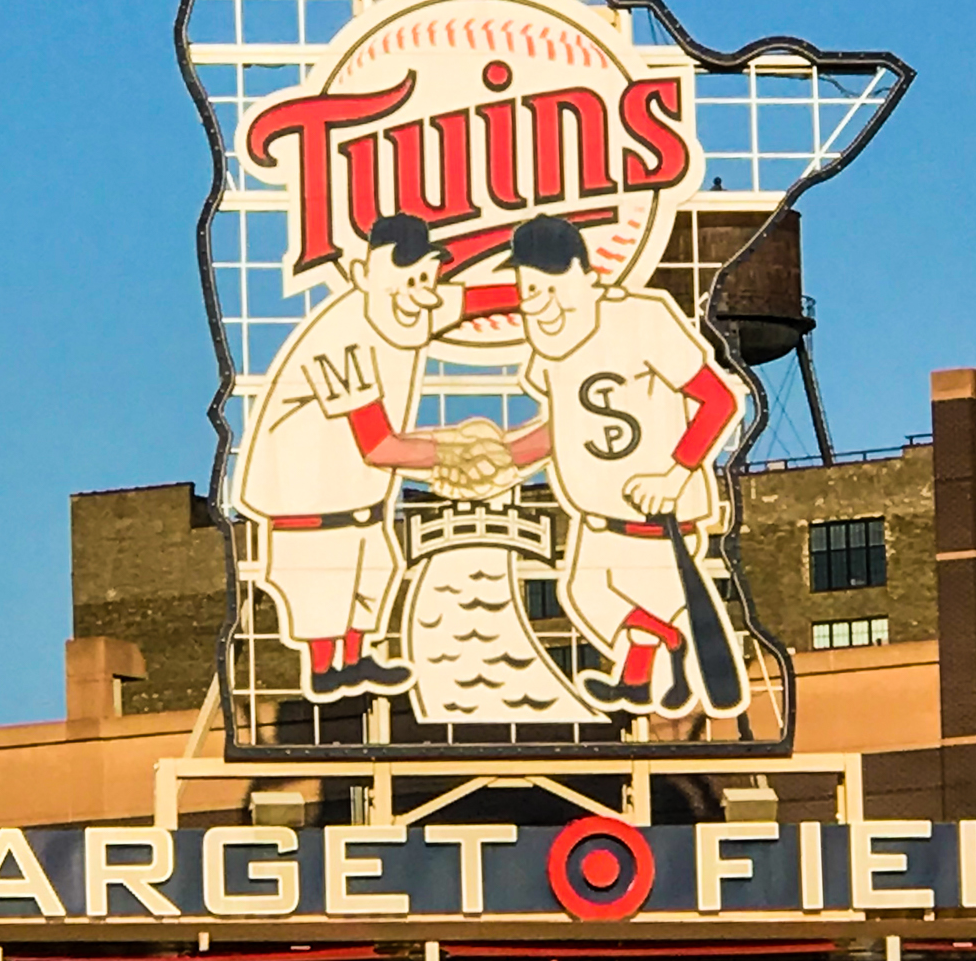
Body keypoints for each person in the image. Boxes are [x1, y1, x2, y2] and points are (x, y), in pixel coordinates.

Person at [236, 210, 517, 702]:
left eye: (427, 276)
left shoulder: (410, 303)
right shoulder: (340, 335)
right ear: (364, 275)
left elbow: (475, 300)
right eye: (407, 277)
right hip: (306, 501)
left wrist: (550, 291)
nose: (421, 289)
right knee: (323, 587)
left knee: (375, 569)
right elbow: (379, 445)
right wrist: (456, 451)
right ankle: (326, 668)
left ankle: (356, 656)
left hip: (359, 499)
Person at [502, 214, 749, 718]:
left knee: (615, 595)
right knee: (585, 593)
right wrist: (501, 459)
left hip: (654, 519)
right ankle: (649, 668)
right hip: (598, 516)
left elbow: (718, 400)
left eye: (552, 287)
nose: (542, 304)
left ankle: (665, 651)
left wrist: (675, 474)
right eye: (530, 290)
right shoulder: (550, 348)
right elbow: (564, 427)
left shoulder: (642, 319)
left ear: (586, 275)